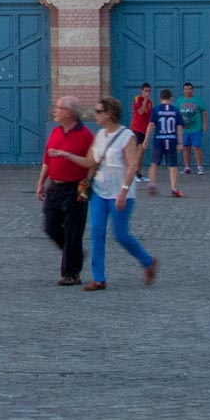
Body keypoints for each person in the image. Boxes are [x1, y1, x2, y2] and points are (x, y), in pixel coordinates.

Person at [84, 96, 157, 291]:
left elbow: (133, 165)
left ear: (110, 114)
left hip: (120, 192)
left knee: (120, 234)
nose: (95, 115)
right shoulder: (99, 135)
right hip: (99, 190)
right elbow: (91, 162)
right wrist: (64, 157)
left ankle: (148, 261)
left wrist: (124, 190)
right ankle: (98, 278)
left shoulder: (127, 136)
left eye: (98, 111)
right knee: (97, 231)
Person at [36, 96, 95, 286]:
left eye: (59, 108)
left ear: (70, 112)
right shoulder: (55, 132)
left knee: (73, 230)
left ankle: (71, 273)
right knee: (50, 226)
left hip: (75, 188)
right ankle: (74, 254)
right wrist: (40, 183)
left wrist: (86, 186)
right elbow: (47, 160)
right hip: (55, 186)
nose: (55, 111)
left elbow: (92, 164)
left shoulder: (86, 135)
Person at [146, 90, 184, 198]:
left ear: (160, 98)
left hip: (159, 140)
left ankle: (152, 184)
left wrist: (146, 140)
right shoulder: (175, 110)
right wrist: (180, 142)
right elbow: (179, 127)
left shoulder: (156, 110)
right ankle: (173, 188)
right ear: (171, 98)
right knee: (173, 166)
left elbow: (151, 125)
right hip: (171, 140)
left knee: (154, 164)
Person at [177, 81, 206, 176]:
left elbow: (204, 111)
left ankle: (200, 167)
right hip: (185, 129)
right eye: (186, 89)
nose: (188, 91)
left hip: (196, 128)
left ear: (192, 90)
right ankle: (187, 167)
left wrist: (205, 123)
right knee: (185, 147)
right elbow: (176, 113)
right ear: (183, 90)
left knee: (197, 147)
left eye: (189, 89)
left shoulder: (197, 100)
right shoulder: (179, 101)